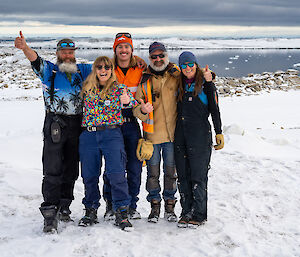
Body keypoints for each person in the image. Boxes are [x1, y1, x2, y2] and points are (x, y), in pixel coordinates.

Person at [14, 31, 91, 233]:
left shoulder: (83, 69)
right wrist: (25, 48)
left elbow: (107, 68)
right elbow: (35, 59)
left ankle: (64, 206)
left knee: (72, 168)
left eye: (70, 52)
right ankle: (50, 211)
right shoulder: (50, 71)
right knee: (52, 168)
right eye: (64, 52)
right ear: (58, 53)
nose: (67, 55)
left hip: (78, 124)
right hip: (55, 123)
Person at [78, 56, 138, 231]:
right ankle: (90, 209)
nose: (103, 70)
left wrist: (128, 101)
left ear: (111, 70)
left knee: (117, 174)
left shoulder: (119, 88)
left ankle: (122, 211)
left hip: (111, 134)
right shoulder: (86, 87)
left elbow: (132, 103)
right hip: (89, 135)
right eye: (99, 67)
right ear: (95, 69)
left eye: (107, 67)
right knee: (89, 176)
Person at [174, 51, 224, 228]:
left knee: (198, 177)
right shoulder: (178, 84)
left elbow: (215, 110)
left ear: (196, 64)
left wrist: (219, 131)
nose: (187, 68)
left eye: (190, 64)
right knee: (183, 176)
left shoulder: (206, 85)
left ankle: (199, 213)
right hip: (180, 137)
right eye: (184, 65)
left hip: (200, 137)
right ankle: (186, 211)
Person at [133, 42, 179, 223]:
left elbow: (194, 77)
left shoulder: (176, 75)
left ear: (166, 56)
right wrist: (143, 110)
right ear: (150, 58)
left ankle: (170, 207)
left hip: (172, 136)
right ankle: (154, 207)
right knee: (152, 174)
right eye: (154, 56)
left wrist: (209, 77)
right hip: (152, 137)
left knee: (171, 173)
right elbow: (136, 108)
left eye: (161, 55)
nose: (158, 59)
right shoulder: (144, 80)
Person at [102, 33, 144, 221]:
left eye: (127, 46)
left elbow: (162, 71)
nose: (123, 50)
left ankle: (131, 205)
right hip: (112, 124)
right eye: (120, 47)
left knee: (135, 166)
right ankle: (111, 204)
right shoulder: (107, 69)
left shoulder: (140, 68)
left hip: (132, 123)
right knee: (113, 166)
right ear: (115, 49)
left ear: (132, 49)